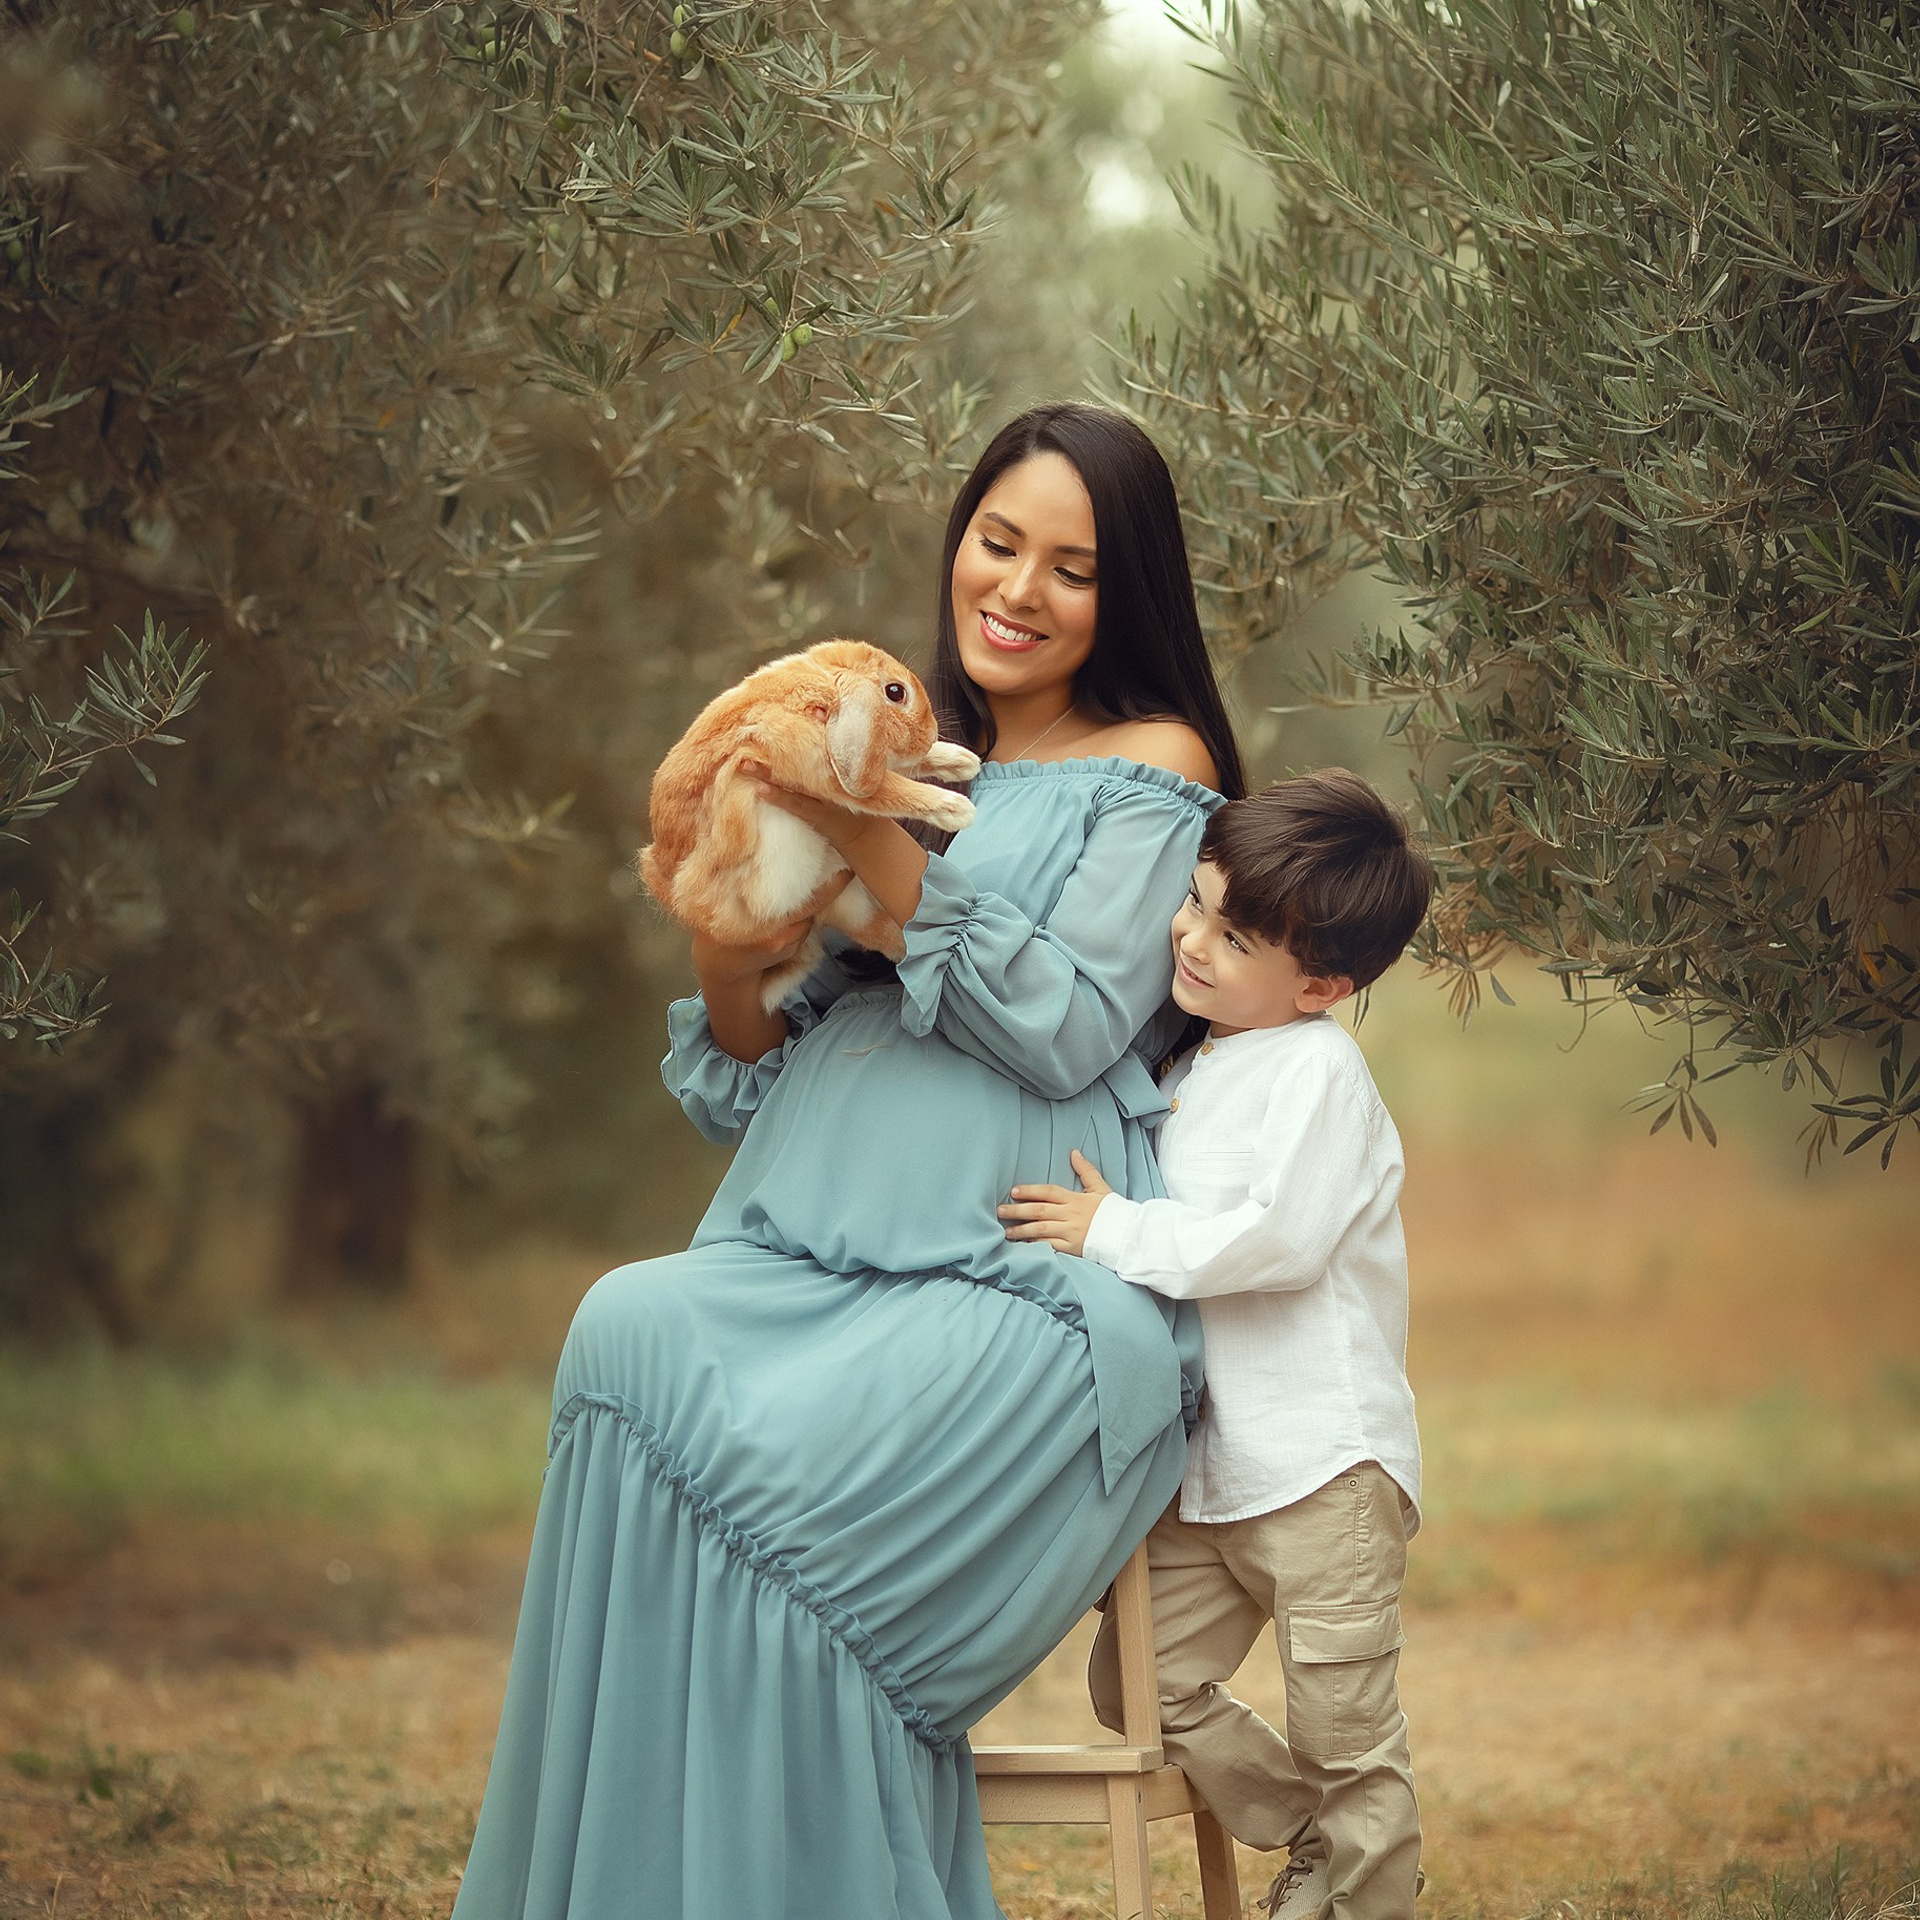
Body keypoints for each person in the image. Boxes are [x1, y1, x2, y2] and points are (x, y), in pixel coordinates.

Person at [450, 403, 1247, 1920]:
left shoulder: (1152, 763)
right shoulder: (921, 756)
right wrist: (729, 924)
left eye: (1069, 568)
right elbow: (758, 1062)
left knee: (786, 1501)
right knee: (626, 1327)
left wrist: (865, 834)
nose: (1014, 589)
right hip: (807, 1252)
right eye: (996, 543)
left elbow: (1066, 1025)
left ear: (1126, 588)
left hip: (1016, 1276)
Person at [998, 771, 1432, 1920]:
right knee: (1140, 1683)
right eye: (1196, 903)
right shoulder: (1193, 1063)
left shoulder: (1318, 1072)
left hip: (1323, 1466)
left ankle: (1362, 1890)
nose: (1190, 938)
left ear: (1322, 986)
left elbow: (1276, 1241)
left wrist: (1115, 1230)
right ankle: (1316, 1841)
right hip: (1210, 1475)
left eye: (1232, 936)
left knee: (1344, 1726)